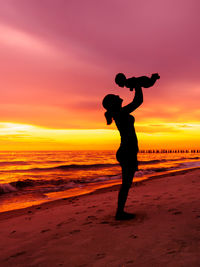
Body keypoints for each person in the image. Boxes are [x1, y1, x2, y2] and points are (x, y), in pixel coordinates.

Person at [102, 86, 143, 220]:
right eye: (116, 96)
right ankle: (119, 213)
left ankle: (120, 211)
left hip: (127, 151)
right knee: (126, 184)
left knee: (127, 183)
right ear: (114, 102)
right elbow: (138, 101)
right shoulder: (121, 113)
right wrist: (138, 86)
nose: (119, 96)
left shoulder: (120, 113)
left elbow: (137, 101)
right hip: (127, 152)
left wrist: (137, 85)